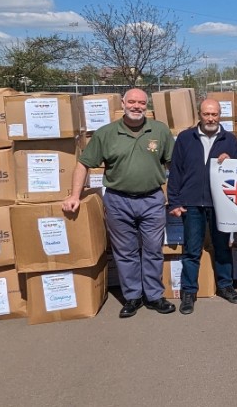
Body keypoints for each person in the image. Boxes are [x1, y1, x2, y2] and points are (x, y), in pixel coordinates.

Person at [62, 88, 176, 318]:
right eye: (132, 102)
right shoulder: (106, 133)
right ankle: (133, 296)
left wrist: (178, 197)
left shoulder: (160, 131)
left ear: (147, 105)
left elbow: (174, 165)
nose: (136, 106)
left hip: (152, 199)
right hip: (118, 200)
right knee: (125, 252)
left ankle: (154, 296)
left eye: (141, 103)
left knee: (153, 250)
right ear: (123, 103)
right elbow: (84, 164)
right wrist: (75, 195)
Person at [167, 98, 237, 315]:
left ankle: (226, 286)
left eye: (215, 114)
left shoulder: (229, 140)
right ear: (199, 115)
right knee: (191, 251)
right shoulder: (184, 138)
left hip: (220, 204)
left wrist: (230, 161)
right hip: (191, 203)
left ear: (220, 115)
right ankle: (189, 292)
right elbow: (176, 171)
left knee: (222, 248)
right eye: (206, 114)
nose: (211, 118)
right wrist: (174, 201)